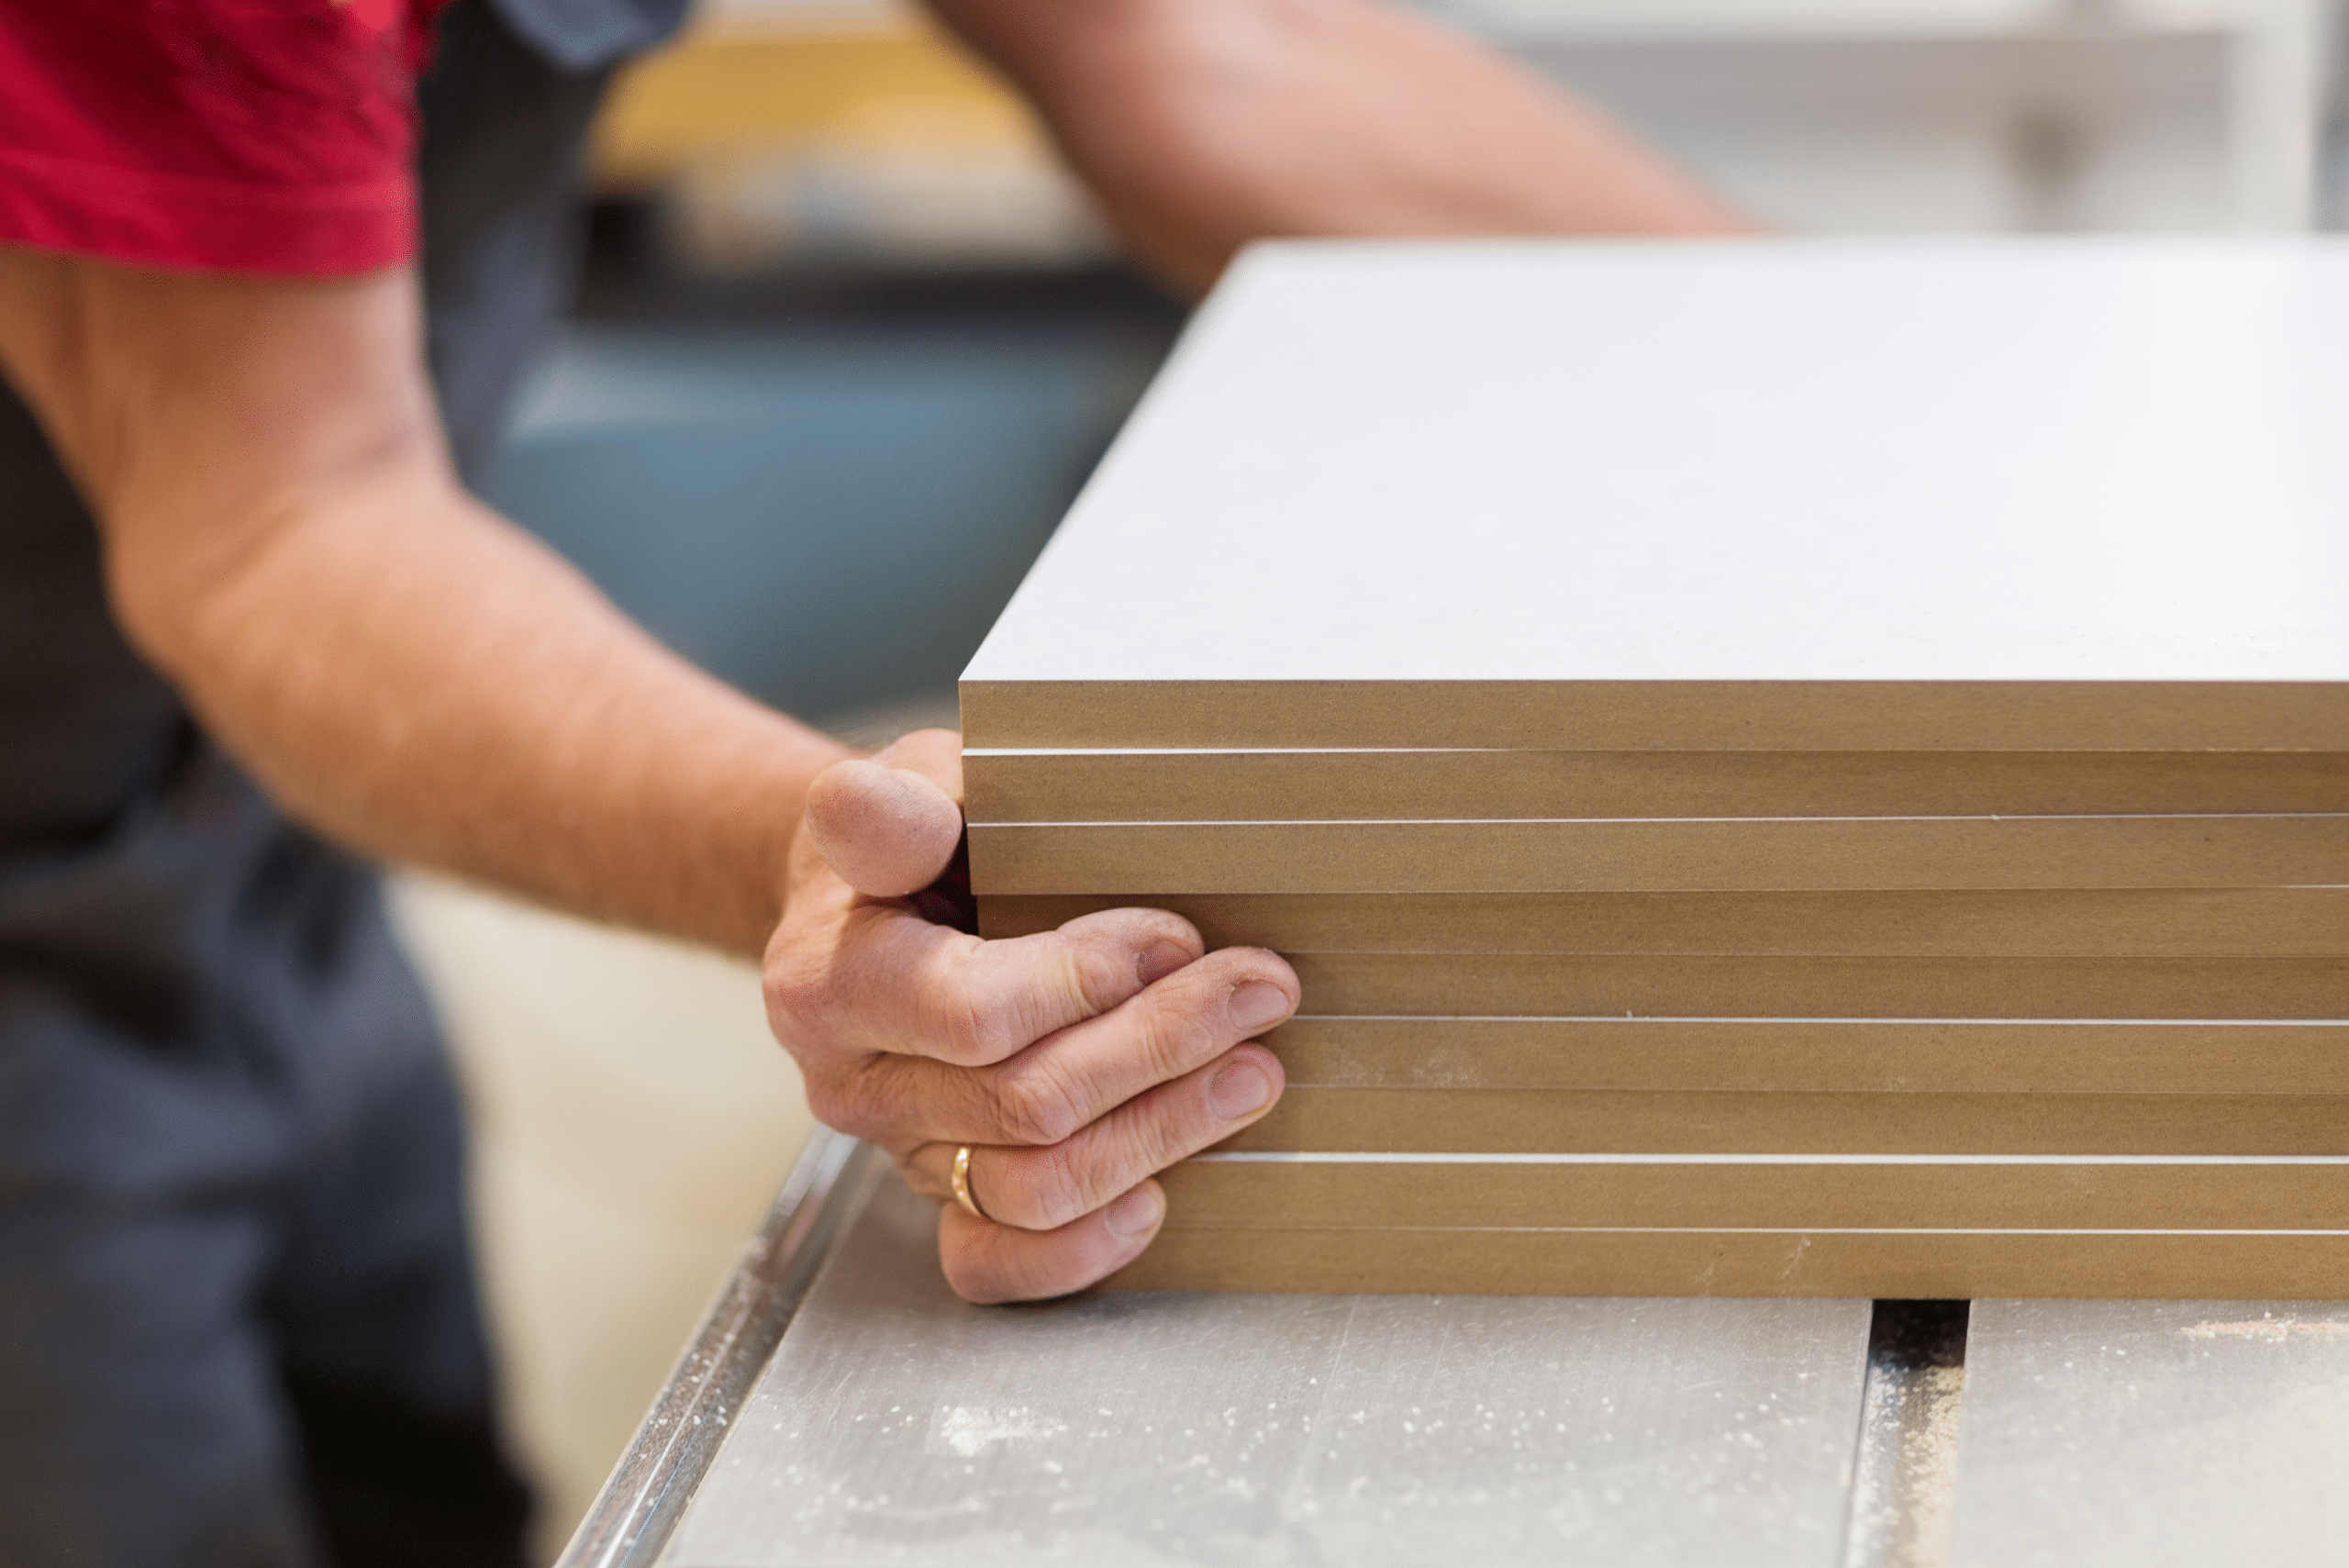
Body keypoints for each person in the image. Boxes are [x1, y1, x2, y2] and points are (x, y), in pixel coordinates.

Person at [0, 1, 1740, 1563]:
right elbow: (283, 528)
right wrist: (852, 877)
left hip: (251, 854)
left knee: (424, 1510)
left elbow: (1204, 52)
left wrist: (1876, 348)